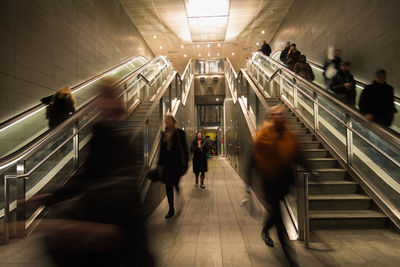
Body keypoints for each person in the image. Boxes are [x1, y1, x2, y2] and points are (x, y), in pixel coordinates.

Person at [31, 80, 154, 266]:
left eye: (104, 97)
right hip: (115, 225)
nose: (98, 102)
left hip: (118, 223)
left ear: (115, 102)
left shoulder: (119, 135)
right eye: (99, 97)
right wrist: (52, 196)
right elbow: (88, 176)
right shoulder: (103, 132)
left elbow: (116, 183)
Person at [247, 105, 317, 267]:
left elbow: (299, 156)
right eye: (276, 114)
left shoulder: (290, 136)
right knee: (279, 218)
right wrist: (249, 181)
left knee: (275, 211)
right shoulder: (261, 137)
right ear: (270, 117)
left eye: (281, 114)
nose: (279, 116)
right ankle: (290, 257)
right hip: (268, 183)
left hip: (284, 182)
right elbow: (253, 160)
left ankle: (265, 228)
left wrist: (312, 172)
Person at [157, 114, 189, 219]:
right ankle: (171, 208)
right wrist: (159, 165)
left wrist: (186, 164)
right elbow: (161, 151)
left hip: (176, 164)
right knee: (168, 186)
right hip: (166, 165)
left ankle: (179, 196)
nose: (167, 122)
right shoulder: (163, 134)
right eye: (165, 120)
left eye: (169, 120)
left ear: (173, 121)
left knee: (175, 183)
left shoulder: (180, 133)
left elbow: (184, 149)